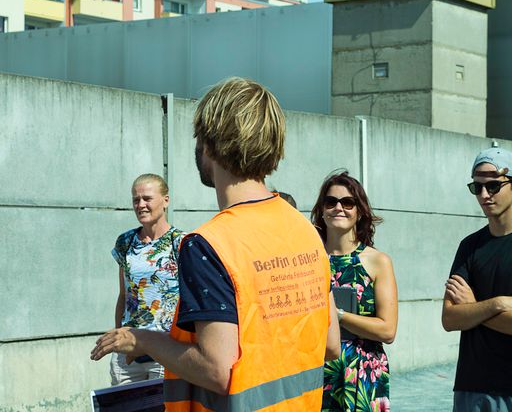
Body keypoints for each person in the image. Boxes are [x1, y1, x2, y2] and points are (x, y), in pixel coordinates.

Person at [92, 77, 340, 411]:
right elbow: (331, 344)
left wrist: (142, 338)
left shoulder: (209, 244)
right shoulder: (306, 230)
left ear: (209, 144)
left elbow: (216, 368)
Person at [311, 170, 398, 412]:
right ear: (322, 210)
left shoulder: (377, 261)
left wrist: (337, 316)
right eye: (331, 202)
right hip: (317, 368)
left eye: (347, 202)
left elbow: (388, 330)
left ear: (359, 211)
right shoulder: (309, 259)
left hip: (364, 371)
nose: (339, 207)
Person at [442, 147, 512, 412]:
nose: (484, 195)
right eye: (477, 187)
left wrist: (472, 307)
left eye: (493, 186)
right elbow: (450, 319)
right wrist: (495, 304)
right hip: (472, 388)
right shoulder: (469, 246)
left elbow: (463, 313)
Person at [110, 173, 185, 385]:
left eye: (147, 198)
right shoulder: (125, 242)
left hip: (167, 350)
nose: (141, 204)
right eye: (136, 199)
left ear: (166, 201)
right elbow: (124, 294)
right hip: (129, 351)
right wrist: (119, 338)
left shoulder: (181, 242)